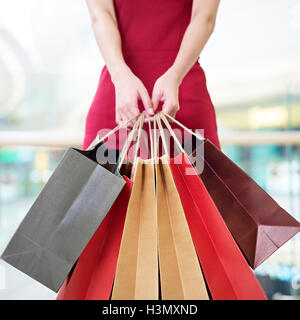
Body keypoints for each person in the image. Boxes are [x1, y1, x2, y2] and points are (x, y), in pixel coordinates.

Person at [82, 0, 221, 152]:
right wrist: (176, 75)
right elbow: (204, 19)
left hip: (137, 95)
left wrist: (120, 75)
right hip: (129, 99)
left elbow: (101, 16)